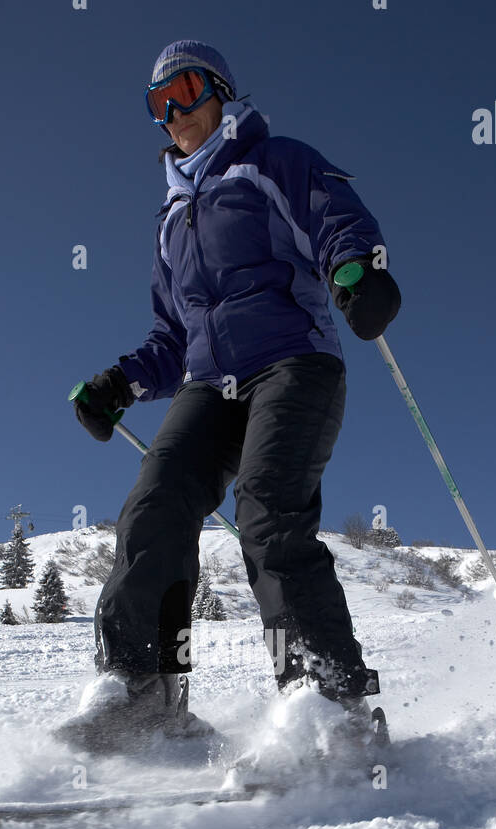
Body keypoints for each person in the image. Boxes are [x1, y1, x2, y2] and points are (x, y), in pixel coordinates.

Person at [57, 40, 400, 754]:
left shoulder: (272, 162)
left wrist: (355, 270)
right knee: (154, 506)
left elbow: (334, 215)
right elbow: (172, 334)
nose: (174, 112)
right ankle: (145, 692)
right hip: (210, 383)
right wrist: (120, 382)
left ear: (220, 90)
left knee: (268, 513)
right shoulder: (170, 223)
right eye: (158, 104)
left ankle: (329, 703)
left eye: (184, 90)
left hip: (295, 364)